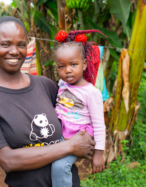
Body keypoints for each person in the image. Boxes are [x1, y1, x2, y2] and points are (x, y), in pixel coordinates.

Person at [0, 16, 95, 187]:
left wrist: (87, 138)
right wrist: (69, 147)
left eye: (21, 45)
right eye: (6, 44)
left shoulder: (46, 86)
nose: (14, 51)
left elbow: (81, 113)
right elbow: (8, 161)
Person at [51, 30, 106, 187]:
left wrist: (99, 153)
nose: (67, 70)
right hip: (60, 132)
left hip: (77, 137)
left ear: (84, 65)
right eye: (62, 66)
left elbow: (99, 124)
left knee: (60, 166)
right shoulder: (61, 84)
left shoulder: (91, 93)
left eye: (73, 64)